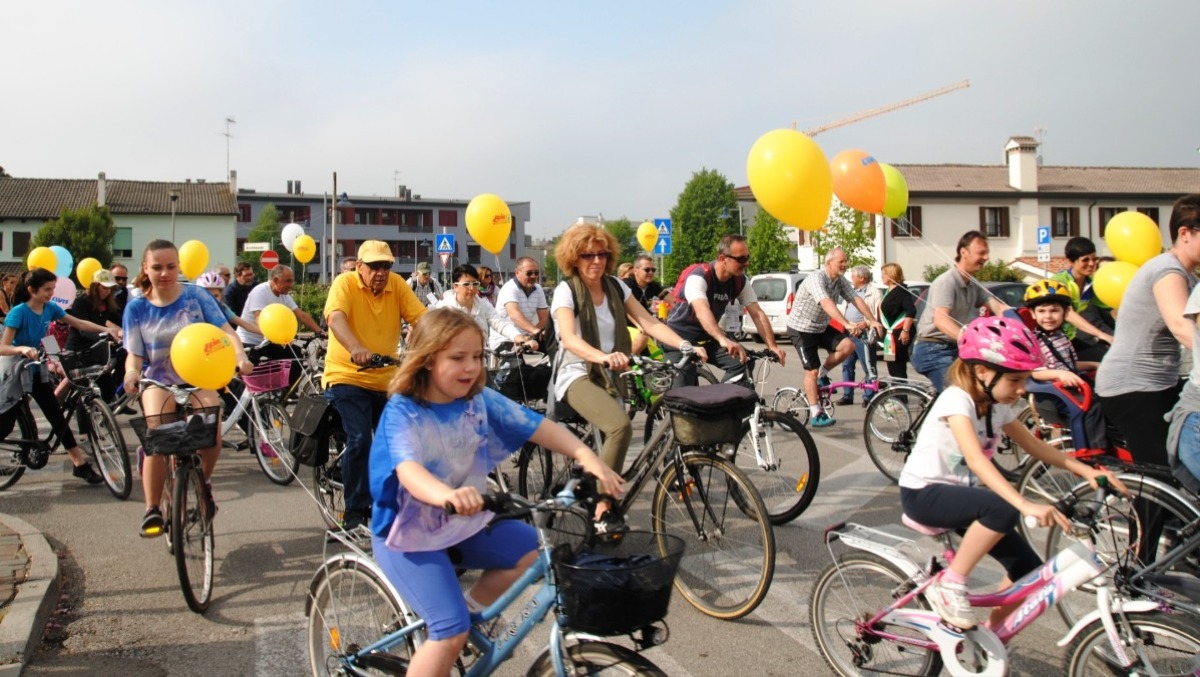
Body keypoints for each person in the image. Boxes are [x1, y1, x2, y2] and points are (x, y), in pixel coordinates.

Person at [368, 308, 623, 676]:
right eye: (457, 358)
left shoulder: (478, 398)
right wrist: (445, 495)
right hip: (406, 532)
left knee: (532, 552)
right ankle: (456, 629)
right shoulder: (403, 411)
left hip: (464, 518)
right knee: (448, 631)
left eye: (476, 356)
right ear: (426, 360)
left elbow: (537, 426)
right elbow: (409, 470)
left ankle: (474, 615)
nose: (471, 367)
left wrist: (586, 455)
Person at [898, 315, 1122, 630]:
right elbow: (977, 461)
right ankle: (951, 583)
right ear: (982, 371)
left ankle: (992, 637)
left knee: (1029, 573)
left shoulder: (995, 404)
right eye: (1014, 381)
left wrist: (1089, 473)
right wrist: (1024, 504)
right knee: (1001, 508)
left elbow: (1037, 447)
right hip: (924, 494)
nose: (1021, 390)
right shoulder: (956, 400)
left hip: (962, 497)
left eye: (1024, 380)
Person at [551, 224, 704, 497]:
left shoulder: (616, 286)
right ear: (574, 258)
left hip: (612, 372)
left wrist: (684, 345)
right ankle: (603, 505)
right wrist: (604, 357)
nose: (597, 261)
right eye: (588, 255)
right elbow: (569, 338)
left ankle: (595, 478)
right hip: (576, 372)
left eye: (602, 254)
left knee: (621, 429)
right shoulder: (567, 291)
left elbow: (648, 322)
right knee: (620, 426)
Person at [122, 241, 254, 536]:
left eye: (171, 266)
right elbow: (134, 354)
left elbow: (225, 330)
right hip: (158, 379)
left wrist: (240, 356)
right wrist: (132, 373)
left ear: (179, 266)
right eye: (157, 267)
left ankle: (201, 481)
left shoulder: (196, 296)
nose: (165, 273)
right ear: (145, 268)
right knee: (159, 436)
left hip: (199, 377)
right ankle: (152, 508)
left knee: (211, 429)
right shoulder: (137, 308)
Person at [324, 240, 427, 531]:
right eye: (374, 266)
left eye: (386, 265)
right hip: (347, 375)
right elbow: (335, 317)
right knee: (360, 438)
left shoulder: (397, 285)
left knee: (404, 439)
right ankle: (354, 512)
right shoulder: (344, 283)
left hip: (386, 378)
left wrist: (446, 342)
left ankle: (400, 504)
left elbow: (422, 319)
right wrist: (356, 346)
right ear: (359, 266)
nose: (381, 272)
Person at [1096, 194, 1200, 468]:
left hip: (1160, 382)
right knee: (1160, 471)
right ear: (1185, 233)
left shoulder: (1187, 274)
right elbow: (1182, 327)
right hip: (1133, 387)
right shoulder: (1168, 271)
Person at [0, 268, 119, 485]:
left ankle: (79, 464)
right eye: (47, 289)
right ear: (31, 290)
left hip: (35, 369)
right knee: (5, 424)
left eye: (53, 289)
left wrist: (107, 330)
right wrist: (22, 349)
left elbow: (79, 323)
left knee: (57, 416)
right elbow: (3, 347)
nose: (51, 293)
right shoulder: (19, 312)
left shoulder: (50, 308)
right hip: (15, 373)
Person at [664, 234, 783, 388]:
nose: (746, 263)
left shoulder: (739, 281)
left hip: (707, 337)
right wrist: (723, 338)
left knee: (742, 361)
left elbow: (757, 313)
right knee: (682, 397)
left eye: (747, 257)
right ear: (722, 258)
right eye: (740, 259)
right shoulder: (700, 277)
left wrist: (772, 345)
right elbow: (702, 311)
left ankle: (722, 403)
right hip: (678, 339)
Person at [786, 248, 883, 427]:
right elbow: (826, 303)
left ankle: (823, 374)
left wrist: (872, 320)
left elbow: (856, 299)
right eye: (842, 262)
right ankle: (816, 413)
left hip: (820, 327)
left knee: (848, 346)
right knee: (811, 371)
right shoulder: (816, 279)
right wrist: (846, 324)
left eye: (846, 261)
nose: (845, 265)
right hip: (801, 329)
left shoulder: (840, 280)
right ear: (829, 263)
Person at [911, 231, 1010, 392]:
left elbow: (999, 308)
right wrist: (971, 339)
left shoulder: (972, 283)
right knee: (962, 394)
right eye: (981, 253)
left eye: (987, 253)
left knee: (988, 386)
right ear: (964, 252)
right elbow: (941, 320)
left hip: (956, 349)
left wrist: (1022, 319)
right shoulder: (947, 282)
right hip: (933, 350)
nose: (986, 258)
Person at [433, 264, 532, 350]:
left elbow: (499, 322)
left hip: (480, 359)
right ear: (455, 286)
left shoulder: (482, 303)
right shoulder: (444, 307)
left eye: (475, 284)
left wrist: (518, 337)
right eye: (466, 284)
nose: (471, 288)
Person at [1052, 237, 1115, 363]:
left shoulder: (1091, 284)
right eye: (1085, 260)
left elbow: (1112, 309)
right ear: (1071, 262)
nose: (1092, 263)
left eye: (1094, 258)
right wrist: (1100, 334)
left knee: (1106, 359)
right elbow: (1068, 313)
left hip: (1069, 338)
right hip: (1051, 340)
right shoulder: (1060, 281)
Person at [1025, 280, 1099, 387]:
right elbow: (1034, 372)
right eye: (1041, 311)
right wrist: (1061, 374)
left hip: (1071, 386)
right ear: (1033, 313)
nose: (1048, 316)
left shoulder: (1060, 336)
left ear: (1065, 312)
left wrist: (1093, 364)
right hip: (1053, 393)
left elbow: (1068, 365)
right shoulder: (1033, 342)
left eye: (1054, 311)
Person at [65, 269, 124, 402]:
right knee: (83, 392)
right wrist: (105, 337)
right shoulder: (81, 302)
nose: (107, 292)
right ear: (95, 287)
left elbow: (121, 320)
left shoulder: (107, 305)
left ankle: (107, 415)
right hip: (77, 351)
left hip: (95, 352)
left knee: (108, 388)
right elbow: (83, 330)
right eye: (104, 288)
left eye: (110, 289)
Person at [236, 265, 325, 352]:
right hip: (249, 341)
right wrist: (278, 335)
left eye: (292, 281)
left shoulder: (284, 295)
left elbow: (301, 315)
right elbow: (259, 319)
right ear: (275, 280)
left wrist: (320, 333)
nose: (291, 285)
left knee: (298, 355)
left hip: (269, 341)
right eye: (288, 281)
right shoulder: (260, 292)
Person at [837, 265, 883, 406]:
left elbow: (877, 315)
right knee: (847, 365)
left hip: (864, 334)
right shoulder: (852, 291)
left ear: (862, 278)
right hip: (850, 333)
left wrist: (866, 323)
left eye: (854, 276)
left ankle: (869, 396)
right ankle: (847, 395)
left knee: (868, 365)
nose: (852, 279)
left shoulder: (874, 293)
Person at [493, 257, 550, 350]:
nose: (533, 276)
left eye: (536, 273)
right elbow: (514, 315)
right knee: (518, 363)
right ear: (517, 273)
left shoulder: (538, 289)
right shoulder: (509, 288)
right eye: (529, 273)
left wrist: (532, 334)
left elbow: (544, 317)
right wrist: (534, 330)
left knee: (554, 350)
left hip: (527, 337)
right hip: (505, 339)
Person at [879, 263, 917, 381]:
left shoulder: (901, 291)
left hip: (898, 335)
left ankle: (901, 396)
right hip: (890, 336)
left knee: (897, 368)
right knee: (892, 367)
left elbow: (911, 310)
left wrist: (905, 330)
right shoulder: (889, 291)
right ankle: (897, 395)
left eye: (884, 274)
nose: (881, 276)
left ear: (891, 275)